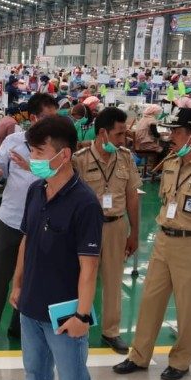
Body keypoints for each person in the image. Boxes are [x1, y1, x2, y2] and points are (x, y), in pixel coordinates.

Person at [113, 108, 191, 380]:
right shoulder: (171, 164)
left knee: (187, 307)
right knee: (150, 300)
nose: (171, 137)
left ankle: (180, 361)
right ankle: (139, 356)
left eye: (177, 132)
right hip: (163, 241)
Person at [9, 115, 103, 380]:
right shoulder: (36, 190)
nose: (32, 158)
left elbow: (90, 267)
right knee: (35, 377)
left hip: (63, 315)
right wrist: (18, 284)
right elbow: (27, 239)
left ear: (64, 155)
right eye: (32, 151)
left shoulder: (85, 204)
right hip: (30, 308)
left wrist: (82, 316)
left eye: (39, 152)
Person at [0, 94, 57, 346]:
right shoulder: (13, 142)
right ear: (33, 119)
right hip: (10, 220)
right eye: (48, 118)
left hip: (41, 224)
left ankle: (18, 325)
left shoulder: (58, 148)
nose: (53, 124)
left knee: (32, 276)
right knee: (0, 275)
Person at [73, 107, 142, 354]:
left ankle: (111, 331)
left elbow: (132, 196)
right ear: (102, 133)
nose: (123, 140)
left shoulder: (125, 158)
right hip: (86, 228)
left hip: (115, 226)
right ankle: (77, 324)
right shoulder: (79, 159)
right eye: (119, 134)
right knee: (80, 278)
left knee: (113, 280)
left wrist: (134, 232)